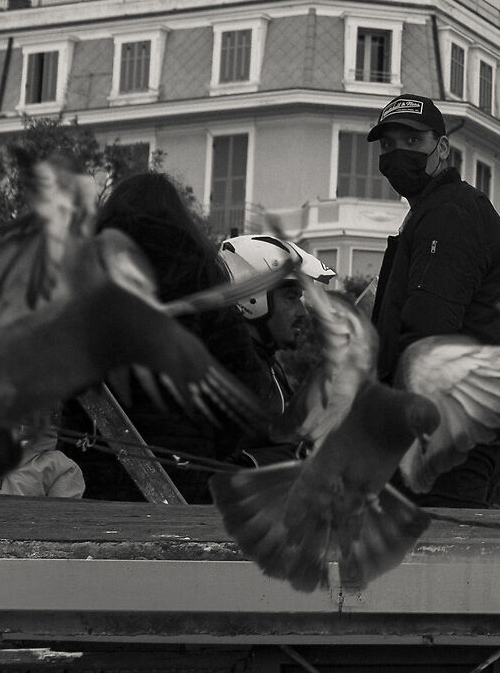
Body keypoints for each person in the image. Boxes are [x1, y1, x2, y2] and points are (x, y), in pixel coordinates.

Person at [66, 172, 277, 501]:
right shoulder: (204, 276)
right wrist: (207, 446)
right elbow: (245, 389)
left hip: (93, 472)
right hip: (183, 475)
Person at [368, 92, 500, 506]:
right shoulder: (434, 212)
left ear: (441, 148)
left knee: (437, 544)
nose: (398, 154)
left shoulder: (449, 212)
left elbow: (429, 325)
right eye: (388, 144)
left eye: (413, 141)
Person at [219, 233, 338, 435]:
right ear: (252, 299)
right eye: (291, 297)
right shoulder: (231, 375)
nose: (302, 312)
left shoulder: (262, 364)